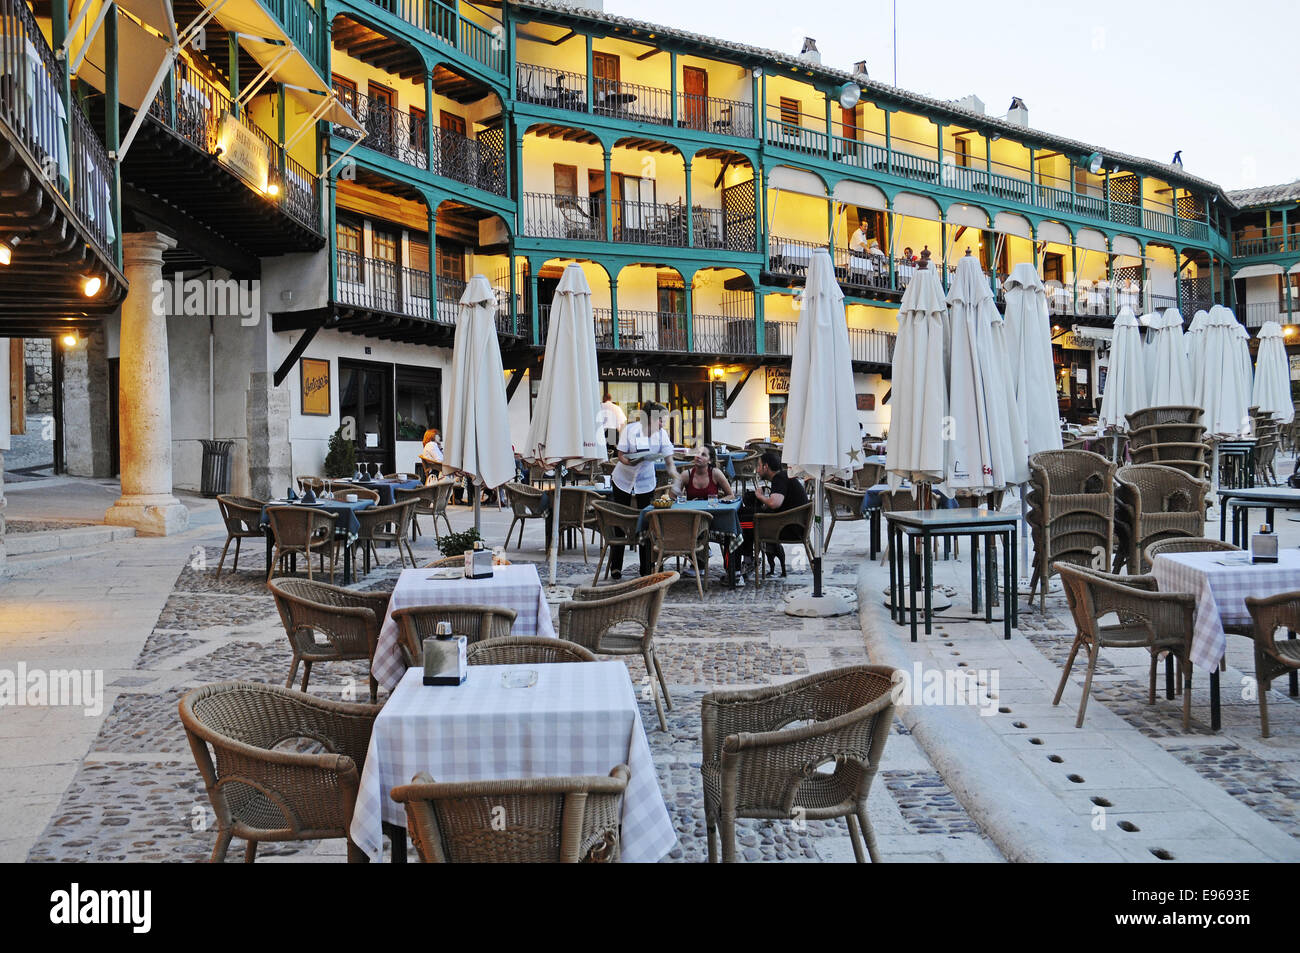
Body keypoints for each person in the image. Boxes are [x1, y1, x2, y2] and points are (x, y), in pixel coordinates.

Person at [609, 402, 678, 578]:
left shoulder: (662, 435)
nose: (663, 424)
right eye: (660, 420)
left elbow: (669, 462)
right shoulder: (630, 430)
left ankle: (645, 568)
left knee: (646, 524)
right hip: (623, 480)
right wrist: (631, 461)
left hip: (646, 482)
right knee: (620, 522)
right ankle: (616, 567)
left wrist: (677, 477)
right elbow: (621, 456)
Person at [738, 451, 808, 575]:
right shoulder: (783, 476)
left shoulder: (779, 478)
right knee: (742, 513)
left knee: (741, 523)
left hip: (788, 528)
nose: (757, 470)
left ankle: (747, 561)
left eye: (759, 466)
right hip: (791, 522)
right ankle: (748, 559)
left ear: (766, 467)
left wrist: (760, 496)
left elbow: (774, 503)